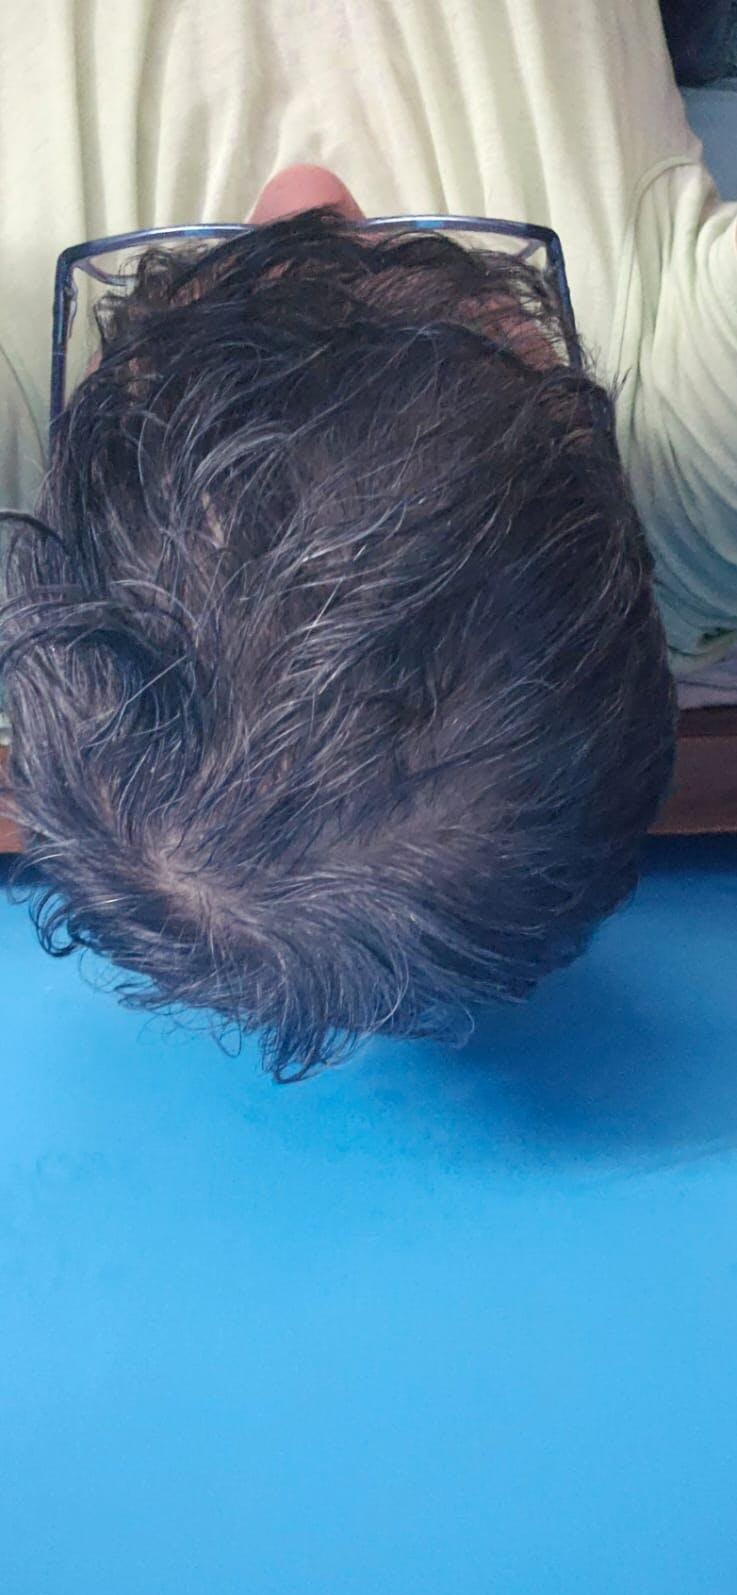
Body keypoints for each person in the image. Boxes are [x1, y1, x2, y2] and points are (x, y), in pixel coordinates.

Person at [0, 0, 735, 1081]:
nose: (303, 189)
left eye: (186, 296)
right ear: (607, 489)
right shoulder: (698, 469)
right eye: (447, 286)